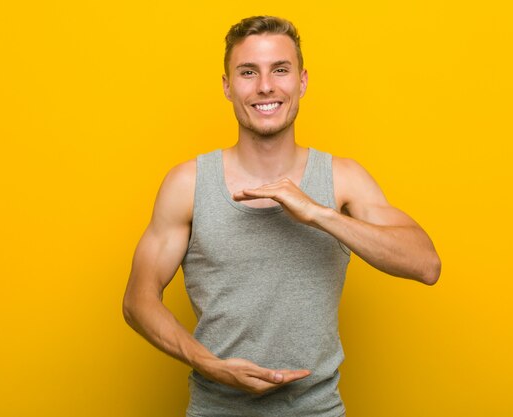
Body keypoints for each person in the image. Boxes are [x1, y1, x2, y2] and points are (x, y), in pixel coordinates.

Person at [122, 15, 441, 417]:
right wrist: (209, 364)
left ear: (302, 81)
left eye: (280, 70)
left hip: (318, 409)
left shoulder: (342, 179)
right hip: (215, 409)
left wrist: (319, 213)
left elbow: (426, 264)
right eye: (248, 72)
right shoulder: (187, 184)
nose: (265, 86)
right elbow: (137, 300)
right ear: (227, 86)